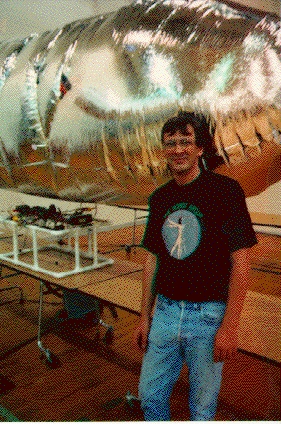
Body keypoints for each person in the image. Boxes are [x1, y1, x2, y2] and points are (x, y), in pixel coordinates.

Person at [134, 111, 258, 421]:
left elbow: (241, 264)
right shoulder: (159, 198)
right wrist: (143, 317)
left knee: (202, 409)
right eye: (171, 143)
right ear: (164, 150)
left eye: (186, 142)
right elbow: (152, 260)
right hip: (164, 313)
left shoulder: (226, 192)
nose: (178, 149)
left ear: (200, 148)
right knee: (149, 397)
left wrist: (229, 328)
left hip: (208, 317)